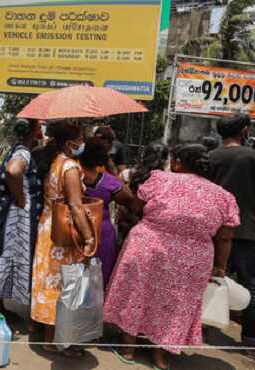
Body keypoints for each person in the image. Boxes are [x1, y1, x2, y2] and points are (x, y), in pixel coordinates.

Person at [105, 144, 239, 370]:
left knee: (137, 293)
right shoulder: (224, 197)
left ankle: (128, 348)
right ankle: (161, 356)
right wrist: (220, 266)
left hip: (149, 246)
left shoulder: (159, 179)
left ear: (177, 163)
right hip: (192, 257)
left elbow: (137, 207)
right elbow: (225, 238)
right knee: (176, 303)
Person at [30, 121, 96, 357]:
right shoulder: (69, 167)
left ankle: (47, 335)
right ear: (70, 143)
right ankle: (58, 340)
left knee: (51, 282)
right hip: (65, 232)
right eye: (80, 138)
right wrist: (88, 238)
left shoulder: (55, 160)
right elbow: (76, 207)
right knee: (65, 285)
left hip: (49, 226)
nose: (83, 143)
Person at [0, 119, 43, 318]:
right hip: (16, 217)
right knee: (7, 257)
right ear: (34, 132)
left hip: (8, 212)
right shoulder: (23, 153)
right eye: (39, 128)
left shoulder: (14, 149)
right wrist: (20, 199)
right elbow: (13, 171)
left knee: (3, 255)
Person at [209, 114, 255, 359]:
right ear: (244, 131)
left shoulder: (211, 157)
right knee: (252, 285)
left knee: (210, 278)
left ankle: (202, 328)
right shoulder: (252, 157)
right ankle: (250, 340)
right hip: (248, 231)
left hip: (215, 230)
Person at [80, 137, 134, 287]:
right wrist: (113, 171)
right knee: (100, 274)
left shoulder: (72, 173)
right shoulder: (108, 181)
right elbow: (128, 197)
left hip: (73, 227)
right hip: (100, 231)